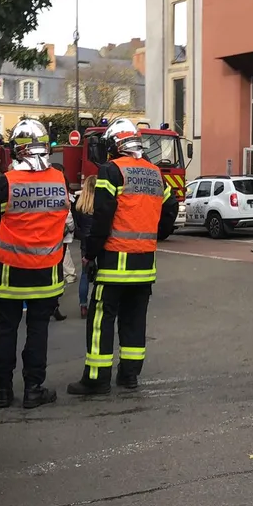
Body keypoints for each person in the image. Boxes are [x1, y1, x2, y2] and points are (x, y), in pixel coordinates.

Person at [68, 119, 178, 396]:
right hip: (145, 265)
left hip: (114, 264)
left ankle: (96, 378)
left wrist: (90, 253)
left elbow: (102, 215)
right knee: (134, 321)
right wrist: (158, 234)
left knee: (101, 320)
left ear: (115, 145)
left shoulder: (111, 170)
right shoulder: (155, 173)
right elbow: (171, 206)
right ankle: (129, 376)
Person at [0, 119, 68, 409]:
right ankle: (34, 388)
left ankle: (3, 391)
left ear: (16, 151)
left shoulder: (5, 183)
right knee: (38, 331)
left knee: (6, 329)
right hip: (46, 272)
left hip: (9, 272)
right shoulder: (59, 178)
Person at [73, 175, 97, 318]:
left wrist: (83, 237)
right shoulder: (101, 203)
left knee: (85, 275)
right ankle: (98, 303)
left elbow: (76, 227)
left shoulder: (79, 205)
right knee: (101, 275)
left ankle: (83, 305)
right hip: (99, 242)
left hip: (85, 243)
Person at [51, 163, 77, 286]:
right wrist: (71, 227)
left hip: (55, 228)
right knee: (63, 252)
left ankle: (67, 275)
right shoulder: (61, 187)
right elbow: (67, 212)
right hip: (62, 227)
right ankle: (68, 275)